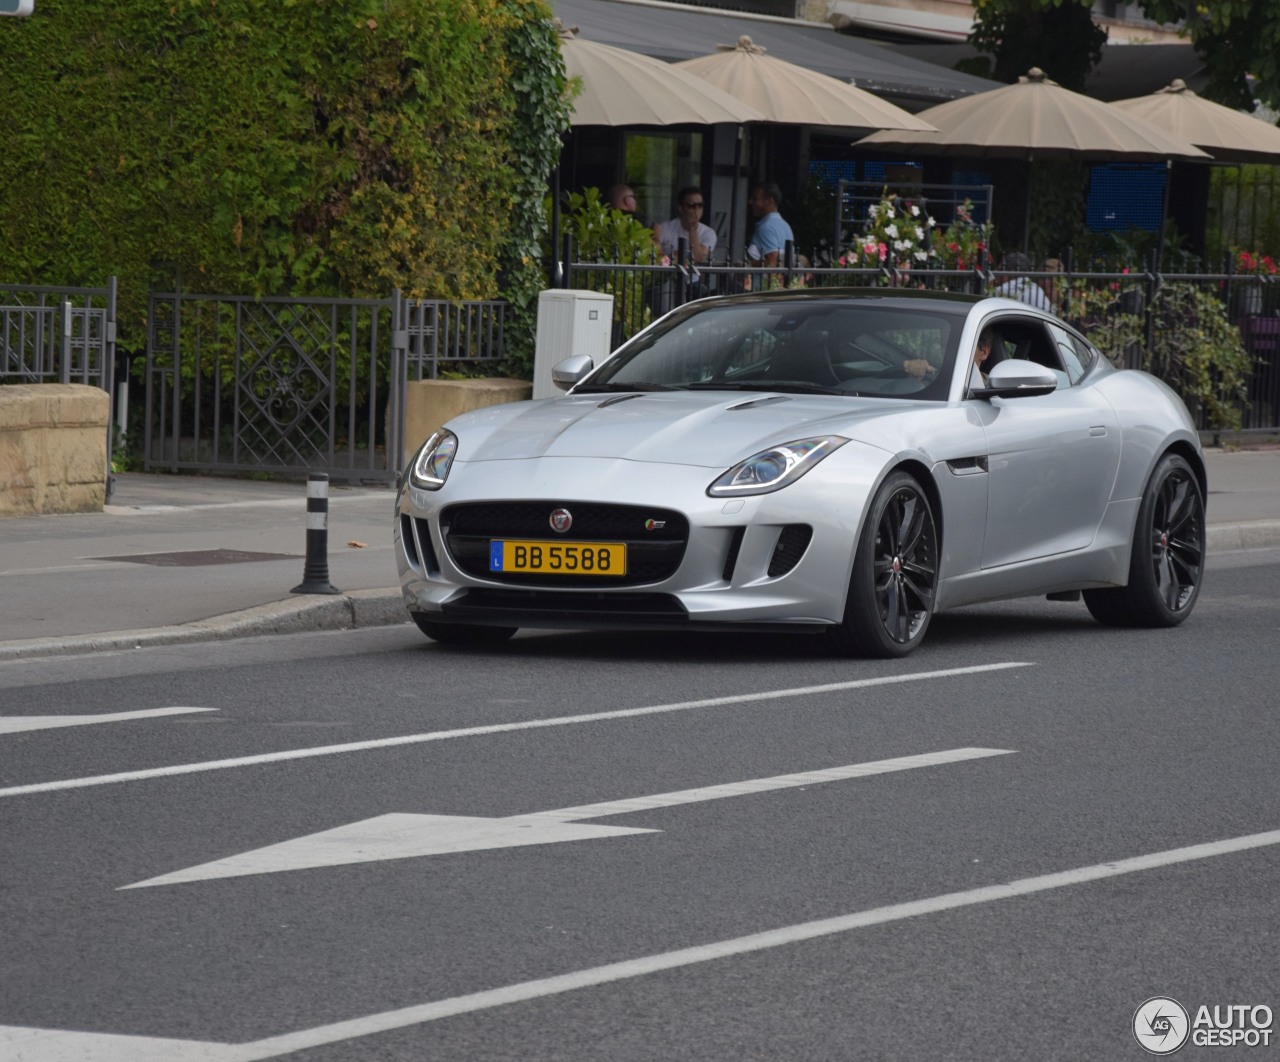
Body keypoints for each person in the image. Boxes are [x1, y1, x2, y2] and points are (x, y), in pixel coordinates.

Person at [653, 186, 716, 264]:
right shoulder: (666, 228)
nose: (697, 210)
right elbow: (654, 258)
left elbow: (698, 257)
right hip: (666, 274)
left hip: (692, 276)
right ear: (681, 209)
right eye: (692, 206)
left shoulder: (708, 233)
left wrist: (692, 229)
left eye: (700, 205)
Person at [746, 181, 794, 268]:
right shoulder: (785, 226)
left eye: (755, 199)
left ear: (770, 201)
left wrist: (749, 264)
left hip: (764, 281)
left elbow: (772, 262)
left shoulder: (766, 227)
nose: (750, 202)